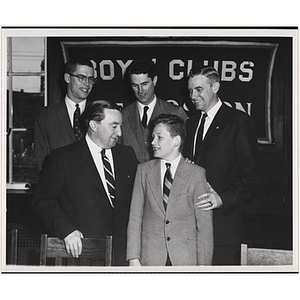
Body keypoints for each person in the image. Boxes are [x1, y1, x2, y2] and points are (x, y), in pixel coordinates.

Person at [32, 100, 138, 266]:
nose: (120, 132)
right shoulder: (62, 158)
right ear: (94, 126)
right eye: (114, 126)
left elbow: (148, 182)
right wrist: (66, 231)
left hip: (123, 254)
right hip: (84, 255)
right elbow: (43, 201)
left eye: (121, 126)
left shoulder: (127, 155)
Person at [183, 66, 262, 265]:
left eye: (199, 89)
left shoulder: (238, 121)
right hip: (192, 229)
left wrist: (221, 199)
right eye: (190, 90)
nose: (193, 95)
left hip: (225, 230)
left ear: (216, 86)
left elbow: (253, 176)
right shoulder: (190, 124)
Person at [127, 114, 213, 266]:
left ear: (176, 141)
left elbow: (204, 227)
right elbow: (135, 218)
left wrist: (204, 267)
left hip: (186, 261)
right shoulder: (143, 171)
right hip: (150, 259)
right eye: (152, 137)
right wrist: (133, 259)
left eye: (159, 137)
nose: (152, 142)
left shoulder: (196, 174)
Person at [33, 57, 96, 173]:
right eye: (81, 78)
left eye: (91, 79)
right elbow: (40, 159)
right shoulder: (46, 116)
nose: (87, 84)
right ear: (67, 78)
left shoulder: (99, 113)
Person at [120, 59, 188, 163]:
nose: (140, 90)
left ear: (154, 80)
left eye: (144, 84)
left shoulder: (176, 112)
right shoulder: (122, 115)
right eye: (135, 85)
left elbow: (184, 153)